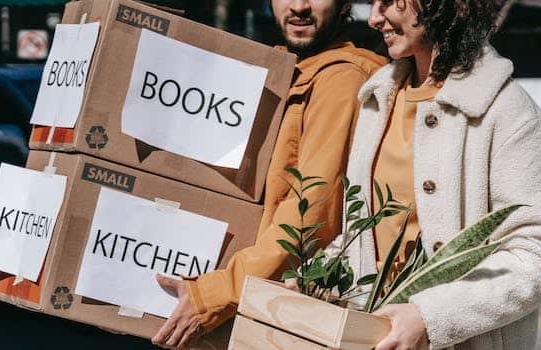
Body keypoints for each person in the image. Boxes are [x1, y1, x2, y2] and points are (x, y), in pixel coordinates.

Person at [329, 0, 541, 349]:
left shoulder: (510, 114)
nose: (376, 18)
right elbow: (363, 236)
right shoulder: (376, 101)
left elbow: (536, 256)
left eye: (387, 2)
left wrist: (429, 316)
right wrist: (317, 276)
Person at [151, 1, 387, 348]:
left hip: (271, 309)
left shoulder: (342, 77)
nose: (299, 6)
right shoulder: (280, 68)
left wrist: (214, 294)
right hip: (237, 292)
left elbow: (309, 216)